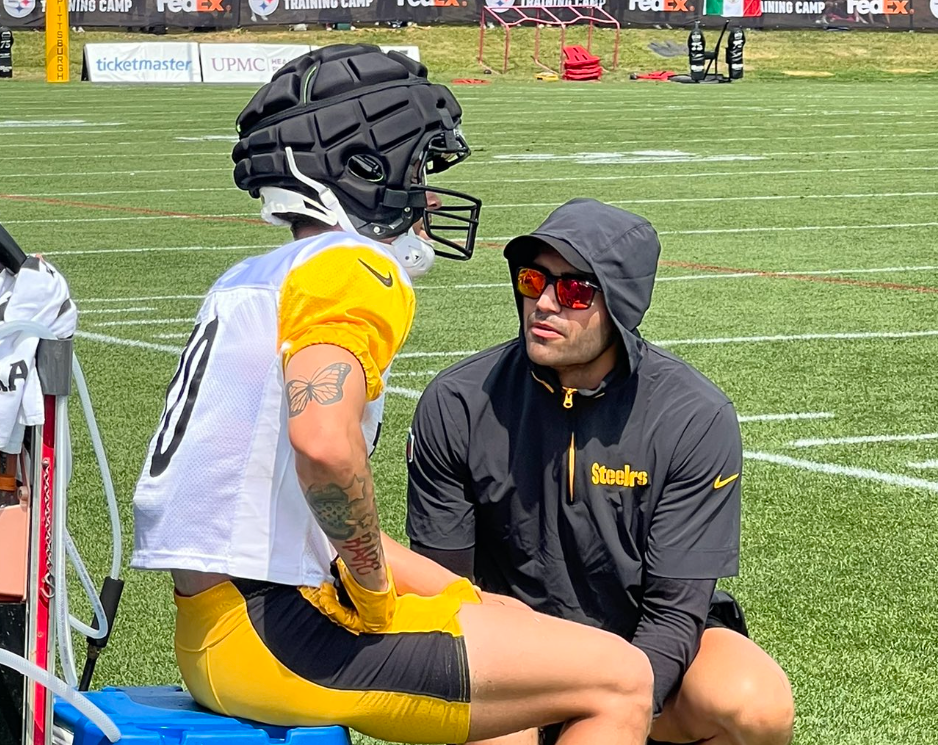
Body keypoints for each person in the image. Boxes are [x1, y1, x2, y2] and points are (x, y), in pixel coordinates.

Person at [130, 46, 655, 745]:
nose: (429, 196)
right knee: (620, 676)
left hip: (217, 628)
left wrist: (461, 597)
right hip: (279, 633)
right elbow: (322, 444)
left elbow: (299, 513)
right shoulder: (352, 267)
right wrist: (374, 586)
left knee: (512, 630)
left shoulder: (253, 279)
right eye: (418, 168)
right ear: (363, 170)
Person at [406, 198, 795, 745]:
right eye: (533, 279)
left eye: (574, 291)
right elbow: (444, 596)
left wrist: (612, 710)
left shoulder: (693, 416)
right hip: (511, 652)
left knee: (754, 703)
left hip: (645, 648)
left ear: (622, 303)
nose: (543, 303)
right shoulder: (458, 401)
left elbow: (674, 614)